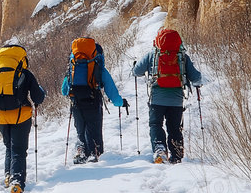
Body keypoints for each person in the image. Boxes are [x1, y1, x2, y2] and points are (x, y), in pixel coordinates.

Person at [0, 44, 45, 193]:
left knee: (9, 147)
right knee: (18, 149)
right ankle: (16, 182)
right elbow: (38, 97)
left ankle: (8, 176)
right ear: (21, 57)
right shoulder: (25, 73)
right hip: (21, 117)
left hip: (2, 118)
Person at [132, 28, 202, 164]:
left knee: (155, 124)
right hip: (176, 100)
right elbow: (196, 77)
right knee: (174, 127)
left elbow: (137, 71)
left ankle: (160, 150)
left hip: (156, 98)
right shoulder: (182, 56)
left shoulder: (153, 54)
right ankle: (176, 154)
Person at [61, 38, 128, 163]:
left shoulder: (73, 65)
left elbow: (64, 90)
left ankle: (80, 151)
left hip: (76, 103)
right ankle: (94, 153)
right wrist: (120, 102)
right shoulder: (98, 67)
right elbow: (111, 89)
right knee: (93, 130)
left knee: (80, 130)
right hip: (93, 101)